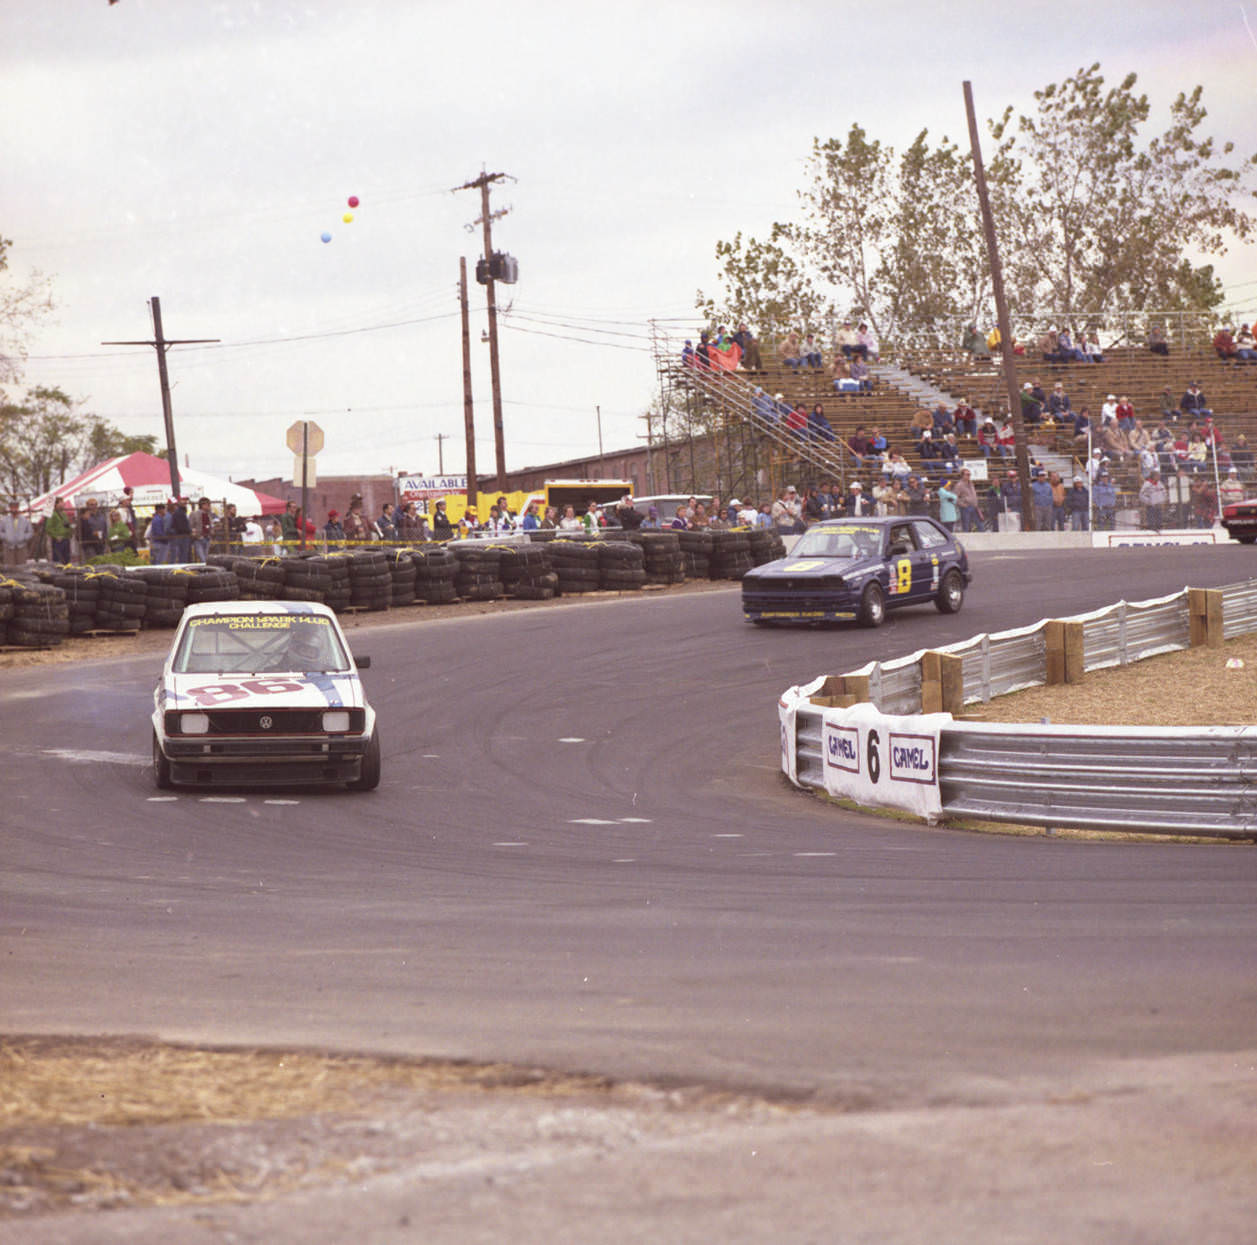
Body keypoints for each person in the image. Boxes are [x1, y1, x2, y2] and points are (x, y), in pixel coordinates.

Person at [1, 499, 33, 566]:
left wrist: (24, 538)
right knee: (9, 567)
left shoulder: (25, 520)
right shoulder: (4, 520)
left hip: (21, 547)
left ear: (18, 508)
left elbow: (30, 532)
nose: (14, 509)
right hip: (8, 548)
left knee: (22, 567)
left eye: (16, 507)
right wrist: (6, 537)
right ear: (10, 508)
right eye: (12, 507)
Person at [954, 468, 981, 533]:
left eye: (970, 474)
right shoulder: (959, 485)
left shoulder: (971, 484)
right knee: (966, 526)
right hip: (966, 508)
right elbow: (955, 497)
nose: (969, 476)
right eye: (967, 474)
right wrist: (963, 505)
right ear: (963, 476)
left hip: (974, 507)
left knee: (980, 525)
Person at [192, 497, 214, 562]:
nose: (209, 506)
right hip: (199, 539)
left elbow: (211, 525)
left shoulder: (209, 514)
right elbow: (191, 525)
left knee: (206, 557)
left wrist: (211, 532)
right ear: (202, 505)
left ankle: (205, 570)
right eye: (208, 505)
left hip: (207, 538)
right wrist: (195, 534)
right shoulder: (194, 514)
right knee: (203, 559)